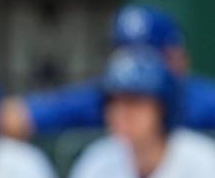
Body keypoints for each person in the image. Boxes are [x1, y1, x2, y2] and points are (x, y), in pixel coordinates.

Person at [0, 4, 215, 139]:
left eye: (144, 59)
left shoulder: (201, 99)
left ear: (176, 59)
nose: (132, 73)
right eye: (125, 56)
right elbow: (15, 117)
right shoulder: (104, 97)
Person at [69, 46, 215, 178]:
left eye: (133, 102)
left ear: (162, 108)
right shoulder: (97, 161)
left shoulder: (204, 161)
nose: (121, 113)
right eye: (114, 102)